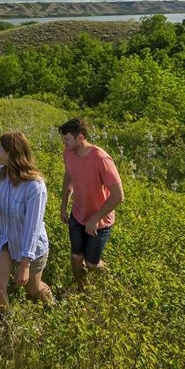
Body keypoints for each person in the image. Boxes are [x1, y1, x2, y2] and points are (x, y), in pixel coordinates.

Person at [0, 131, 54, 312]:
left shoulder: (35, 187)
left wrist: (24, 265)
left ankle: (53, 309)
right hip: (3, 236)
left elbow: (32, 228)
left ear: (10, 153)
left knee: (33, 288)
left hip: (29, 246)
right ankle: (9, 329)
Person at [58, 118, 124, 277]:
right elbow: (68, 178)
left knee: (91, 263)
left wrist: (95, 219)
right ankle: (80, 290)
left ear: (80, 137)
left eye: (67, 139)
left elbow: (118, 196)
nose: (64, 143)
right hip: (78, 215)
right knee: (75, 257)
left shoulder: (101, 159)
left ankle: (108, 277)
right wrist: (64, 206)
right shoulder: (68, 153)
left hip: (99, 221)